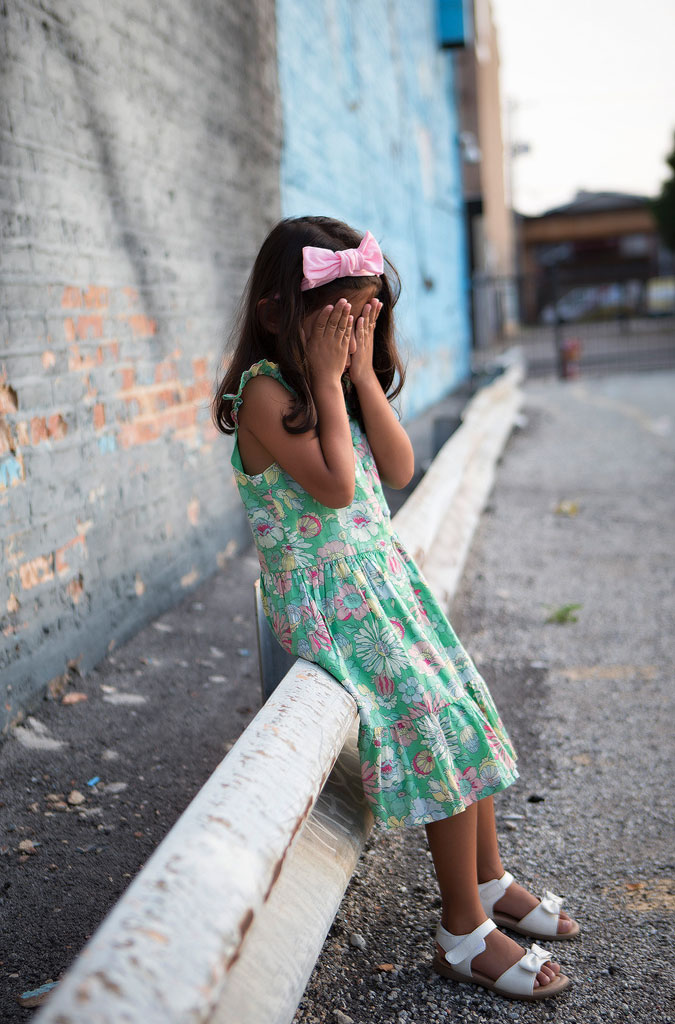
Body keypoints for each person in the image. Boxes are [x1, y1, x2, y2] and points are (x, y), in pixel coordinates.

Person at [212, 216, 579, 1002]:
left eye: (364, 320)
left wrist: (358, 377)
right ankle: (460, 931)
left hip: (383, 587)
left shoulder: (339, 386)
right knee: (437, 729)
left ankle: (485, 880)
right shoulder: (265, 394)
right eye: (338, 320)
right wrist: (322, 378)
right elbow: (339, 487)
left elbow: (401, 466)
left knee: (464, 707)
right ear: (278, 315)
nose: (352, 338)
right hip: (332, 603)